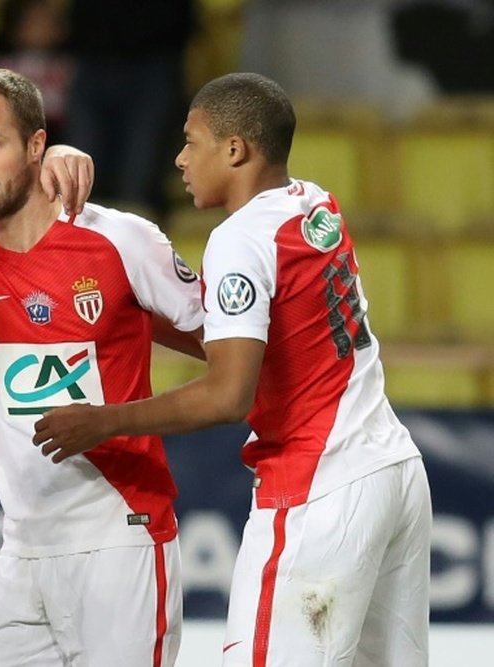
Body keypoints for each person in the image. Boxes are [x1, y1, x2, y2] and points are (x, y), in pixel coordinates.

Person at [33, 72, 432, 666]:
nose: (180, 158)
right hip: (393, 470)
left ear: (235, 149)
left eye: (192, 142)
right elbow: (268, 337)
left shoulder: (239, 238)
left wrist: (102, 422)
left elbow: (227, 396)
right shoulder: (313, 203)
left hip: (319, 487)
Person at [0, 67, 205, 667]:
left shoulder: (122, 240)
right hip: (20, 556)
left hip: (121, 540)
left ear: (35, 145)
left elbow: (229, 350)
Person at [64, 0, 196, 217]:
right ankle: (81, 243)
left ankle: (134, 246)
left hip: (154, 61)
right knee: (80, 171)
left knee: (139, 177)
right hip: (90, 60)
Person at [0, 0, 73, 143]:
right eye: (36, 22)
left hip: (63, 137)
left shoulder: (73, 63)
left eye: (51, 20)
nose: (45, 27)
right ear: (14, 25)